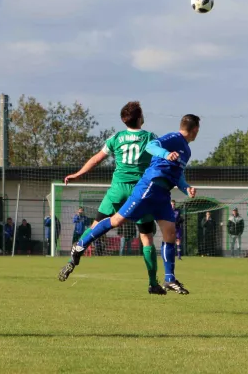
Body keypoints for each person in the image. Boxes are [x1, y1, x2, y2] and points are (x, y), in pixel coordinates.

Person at [59, 114, 200, 295]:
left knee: (170, 232)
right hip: (149, 186)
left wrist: (186, 187)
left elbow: (177, 174)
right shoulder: (173, 137)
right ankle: (80, 244)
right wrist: (166, 154)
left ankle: (169, 279)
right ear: (195, 129)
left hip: (163, 194)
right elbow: (151, 146)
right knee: (117, 221)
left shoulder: (186, 151)